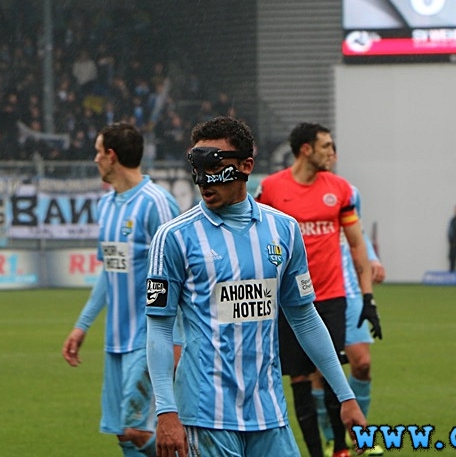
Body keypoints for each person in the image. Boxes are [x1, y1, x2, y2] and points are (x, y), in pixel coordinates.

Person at [146, 116, 367, 457]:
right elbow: (159, 330)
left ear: (246, 165)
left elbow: (305, 319)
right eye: (197, 166)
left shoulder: (284, 230)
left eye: (214, 165)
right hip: (207, 416)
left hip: (269, 413)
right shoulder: (174, 237)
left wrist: (346, 396)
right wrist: (165, 412)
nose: (204, 179)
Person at [256, 122, 380, 457]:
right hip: (288, 301)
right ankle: (315, 451)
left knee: (330, 372)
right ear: (306, 149)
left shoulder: (339, 189)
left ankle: (339, 448)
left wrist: (367, 297)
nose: (332, 153)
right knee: (298, 378)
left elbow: (356, 245)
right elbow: (254, 232)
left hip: (331, 296)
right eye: (326, 146)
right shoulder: (270, 189)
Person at [61, 122, 180, 457]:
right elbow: (109, 272)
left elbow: (182, 275)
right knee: (123, 435)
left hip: (149, 338)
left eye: (98, 152)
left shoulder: (157, 203)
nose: (95, 159)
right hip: (116, 340)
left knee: (138, 430)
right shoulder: (107, 205)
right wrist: (82, 325)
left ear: (111, 156)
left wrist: (178, 340)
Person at [314, 150, 386, 457]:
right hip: (319, 290)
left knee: (363, 363)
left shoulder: (346, 191)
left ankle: (360, 435)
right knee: (321, 368)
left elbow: (355, 233)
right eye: (324, 147)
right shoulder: (290, 191)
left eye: (332, 148)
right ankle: (333, 438)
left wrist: (372, 259)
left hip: (351, 289)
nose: (330, 153)